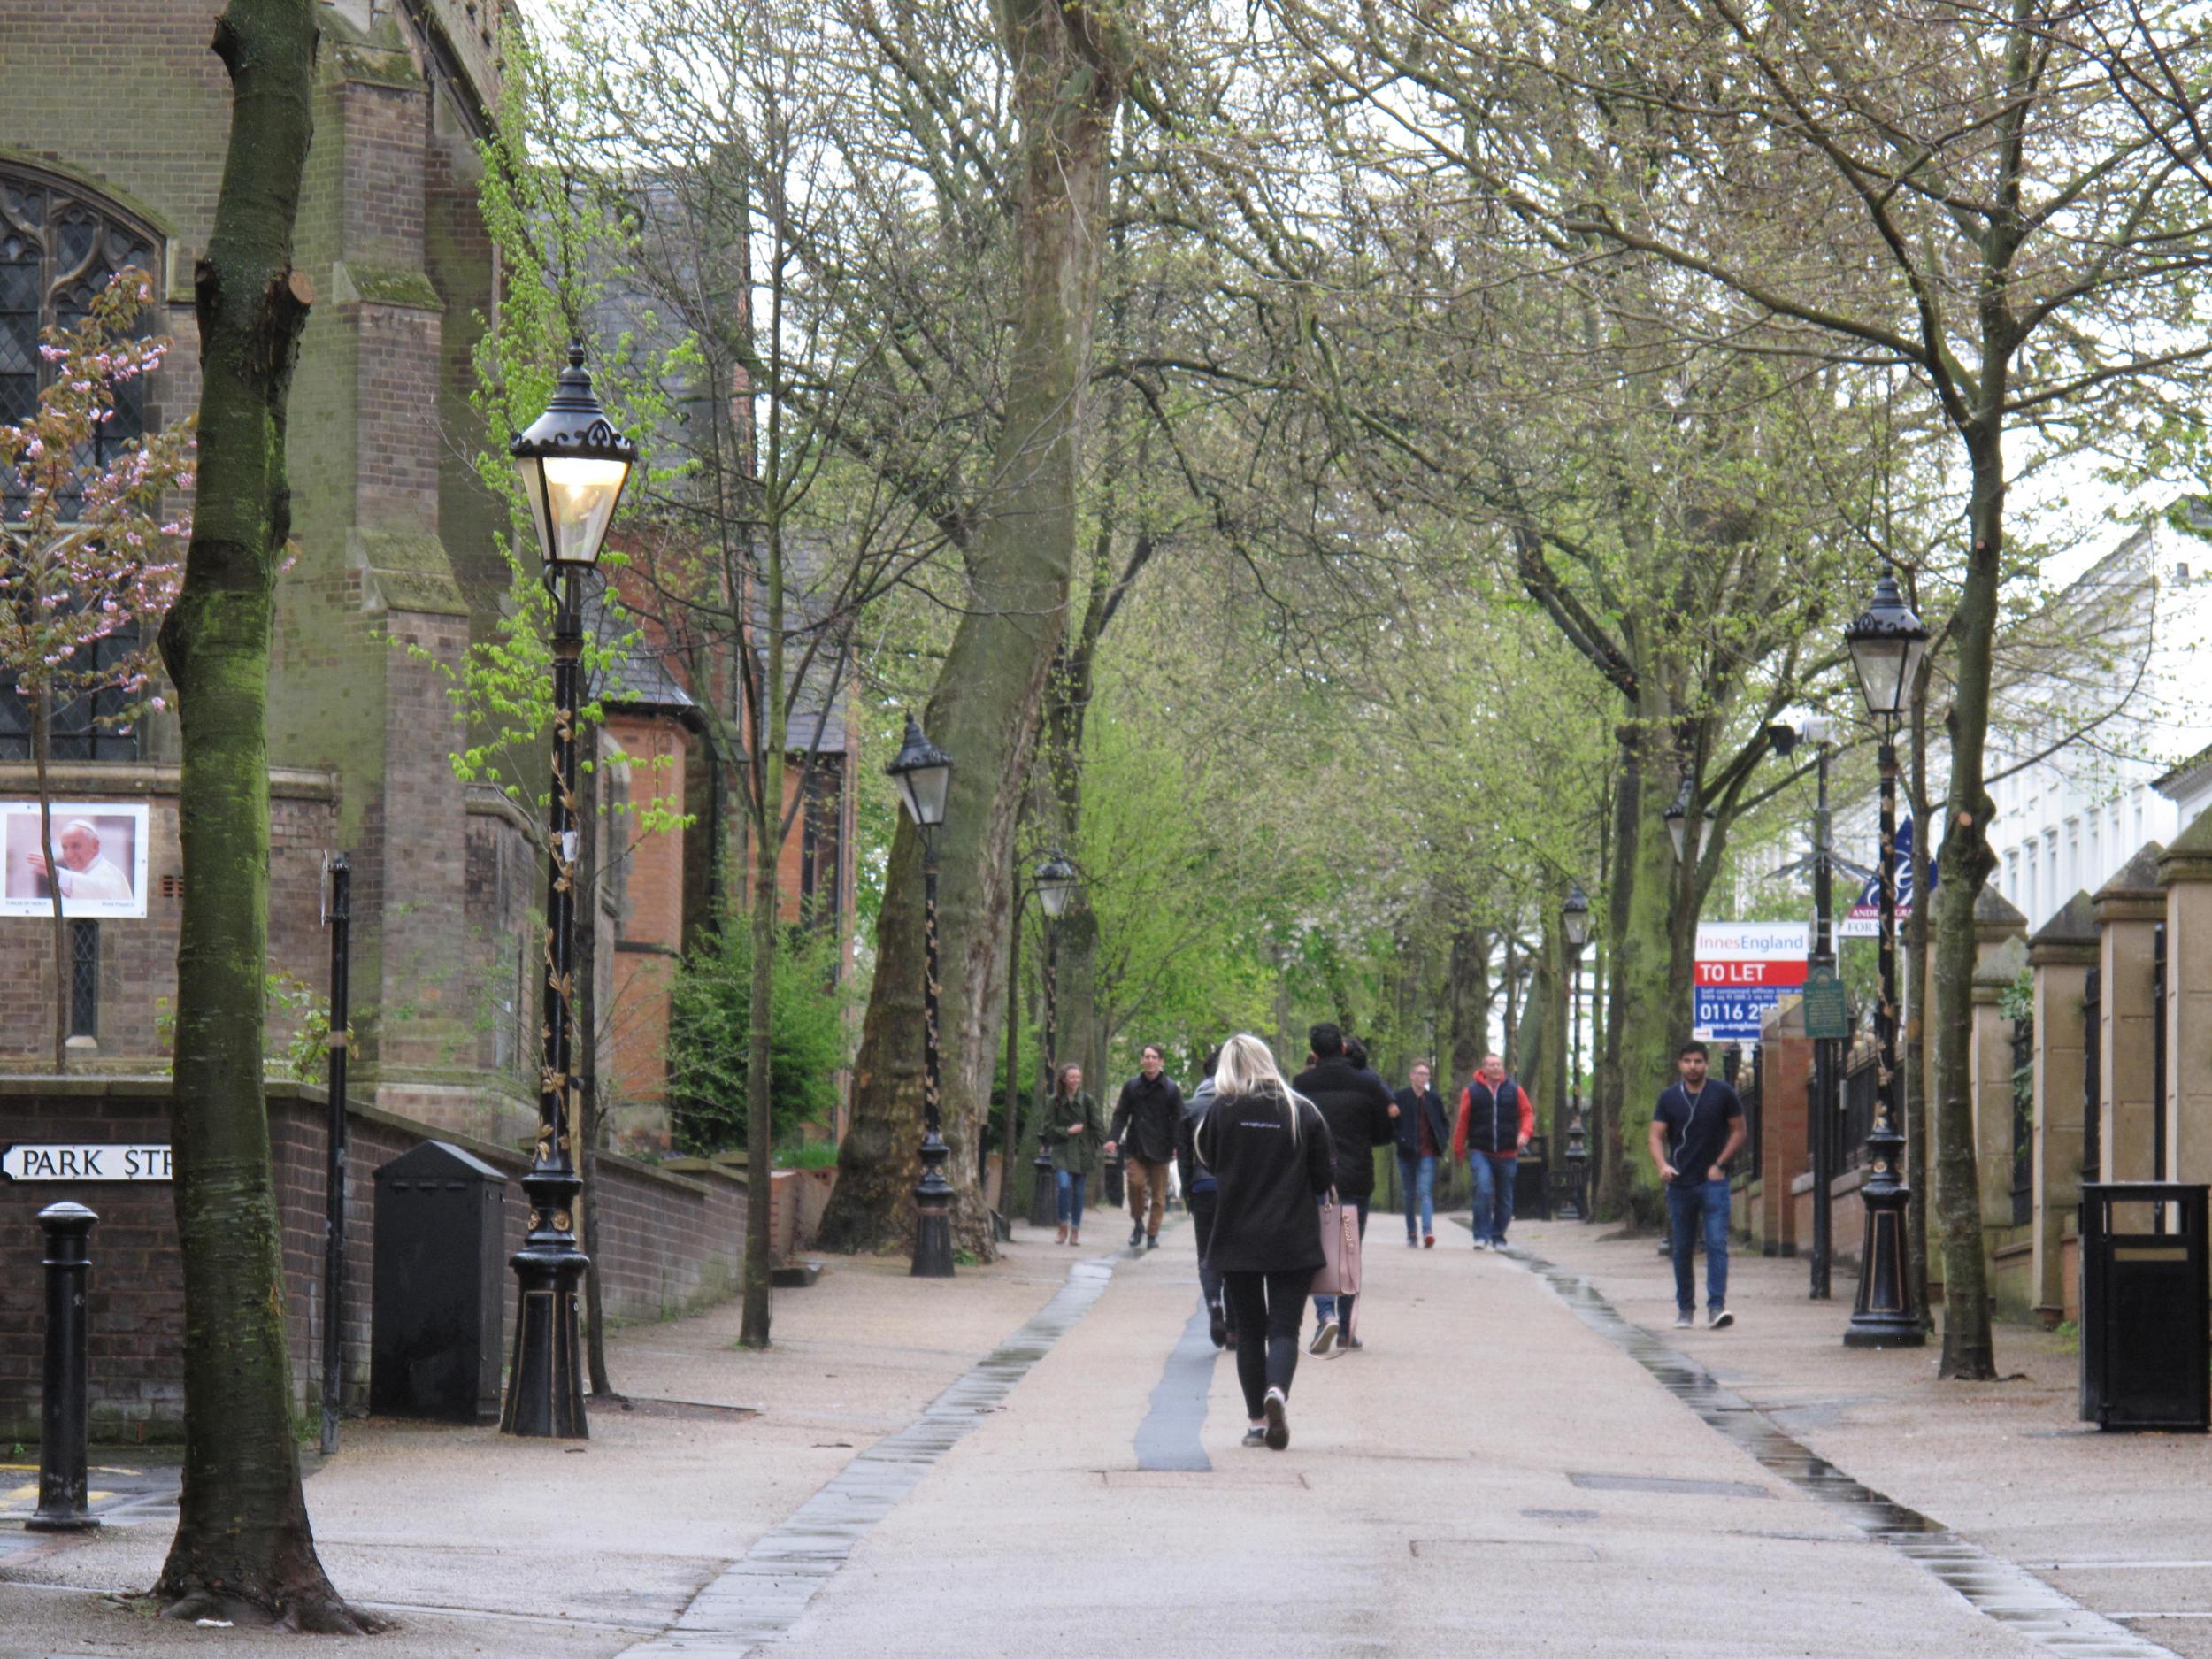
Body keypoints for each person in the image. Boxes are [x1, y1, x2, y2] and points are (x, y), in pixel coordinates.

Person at [1194, 1033, 1336, 1450]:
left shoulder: (1221, 1111)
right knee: (1284, 1329)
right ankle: (1278, 1390)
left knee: (1250, 1331)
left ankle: (1257, 1421)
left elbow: (1209, 1160)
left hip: (1237, 1235)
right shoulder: (1300, 1111)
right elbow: (1323, 1177)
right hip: (1292, 1236)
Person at [1294, 1025, 1397, 1353]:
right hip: (1355, 1177)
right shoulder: (1367, 1082)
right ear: (1341, 1047)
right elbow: (1386, 1128)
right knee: (1349, 1248)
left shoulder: (1301, 1085)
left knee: (1320, 1249)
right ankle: (1346, 1324)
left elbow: (1296, 1132)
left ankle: (1325, 1315)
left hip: (1316, 1178)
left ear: (1314, 1051)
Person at [1649, 1039, 1747, 1330]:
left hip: (1713, 1183)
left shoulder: (1723, 1094)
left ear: (1706, 1064)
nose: (1693, 1067)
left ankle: (1716, 1306)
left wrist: (1721, 1164)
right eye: (1688, 1061)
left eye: (1698, 1061)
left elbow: (1739, 1131)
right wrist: (1662, 1166)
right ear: (1680, 1064)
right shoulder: (1669, 1098)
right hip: (1680, 1183)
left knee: (1717, 1243)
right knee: (1682, 1248)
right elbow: (1655, 1136)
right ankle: (1685, 1308)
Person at [1175, 1045, 1232, 1346]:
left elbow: (1184, 1157)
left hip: (1204, 1186)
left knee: (1207, 1255)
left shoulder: (1191, 1107)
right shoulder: (1241, 1104)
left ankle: (1214, 1303)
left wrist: (1188, 1192)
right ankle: (1235, 1326)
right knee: (1236, 1253)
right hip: (1236, 1190)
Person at [1105, 1044, 1184, 1248]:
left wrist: (1177, 1143)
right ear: (1142, 1061)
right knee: (1136, 1185)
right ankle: (1138, 1223)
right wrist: (1113, 1138)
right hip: (1136, 1146)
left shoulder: (1171, 1089)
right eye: (1147, 1057)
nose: (1150, 1060)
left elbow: (1178, 1118)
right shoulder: (1131, 1086)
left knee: (1159, 1195)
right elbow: (1121, 1114)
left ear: (1161, 1061)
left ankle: (1152, 1234)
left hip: (1161, 1147)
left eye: (1154, 1057)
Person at [1453, 1053, 1534, 1250]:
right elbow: (1463, 1121)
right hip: (1481, 1151)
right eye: (1492, 1065)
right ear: (1484, 1069)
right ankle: (1480, 1235)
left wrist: (1525, 1133)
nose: (1496, 1068)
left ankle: (1498, 1235)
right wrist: (1458, 1149)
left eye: (1498, 1065)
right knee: (1483, 1189)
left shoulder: (1515, 1090)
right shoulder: (1472, 1092)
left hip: (1508, 1152)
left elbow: (1527, 1113)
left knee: (1505, 1199)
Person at [1041, 1063, 1103, 1245]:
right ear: (1063, 1079)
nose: (1076, 1080)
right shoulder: (1054, 1101)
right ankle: (1062, 1226)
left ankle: (1075, 1230)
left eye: (1078, 1077)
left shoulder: (1087, 1101)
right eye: (1072, 1077)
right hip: (1062, 1151)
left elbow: (1097, 1124)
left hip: (1083, 1152)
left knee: (1078, 1192)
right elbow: (1048, 1129)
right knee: (1064, 1186)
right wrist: (1068, 1131)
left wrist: (1105, 1143)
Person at [1393, 1059, 1451, 1248]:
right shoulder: (1400, 1097)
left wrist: (1442, 1141)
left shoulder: (1433, 1099)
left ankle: (1427, 1231)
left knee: (1424, 1191)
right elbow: (1393, 1123)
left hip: (1427, 1152)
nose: (1422, 1078)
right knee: (1409, 1194)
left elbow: (1443, 1123)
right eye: (1419, 1074)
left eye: (1426, 1074)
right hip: (1406, 1152)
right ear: (1412, 1075)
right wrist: (1400, 1138)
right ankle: (1411, 1232)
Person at [25, 819, 132, 904]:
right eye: (65, 848)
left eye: (76, 846)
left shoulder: (109, 873)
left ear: (95, 846)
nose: (69, 855)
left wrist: (56, 873)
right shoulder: (74, 877)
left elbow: (96, 890)